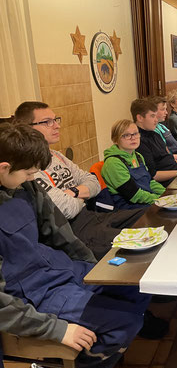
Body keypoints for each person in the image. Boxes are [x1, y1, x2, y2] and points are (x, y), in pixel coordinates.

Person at [0, 123, 155, 368]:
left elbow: (59, 231)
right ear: (4, 168)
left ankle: (109, 346)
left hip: (59, 269)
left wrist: (95, 268)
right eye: (28, 173)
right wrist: (57, 330)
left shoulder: (25, 186)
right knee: (126, 323)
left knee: (137, 283)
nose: (31, 180)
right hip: (32, 294)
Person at [14, 101, 144, 260]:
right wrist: (82, 195)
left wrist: (73, 192)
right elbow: (64, 209)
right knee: (141, 241)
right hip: (74, 230)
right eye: (48, 122)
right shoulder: (29, 169)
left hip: (91, 215)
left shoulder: (56, 155)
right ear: (27, 128)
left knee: (148, 215)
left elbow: (92, 181)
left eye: (56, 120)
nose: (56, 126)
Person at [100, 119, 165, 209]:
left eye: (135, 133)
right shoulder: (113, 163)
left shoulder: (138, 156)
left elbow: (150, 182)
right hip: (128, 207)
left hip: (145, 200)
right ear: (115, 140)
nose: (133, 138)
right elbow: (133, 195)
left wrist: (166, 193)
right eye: (126, 135)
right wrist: (159, 200)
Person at [132, 98, 177, 188]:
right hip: (168, 183)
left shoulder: (155, 134)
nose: (156, 120)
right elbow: (154, 175)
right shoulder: (139, 142)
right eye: (152, 116)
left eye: (156, 116)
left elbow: (169, 158)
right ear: (140, 118)